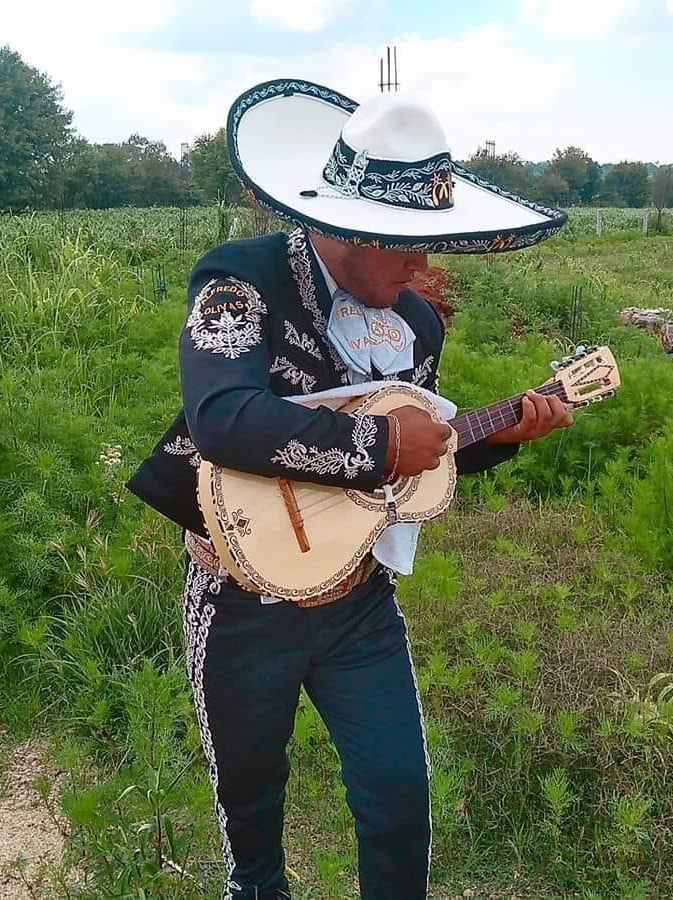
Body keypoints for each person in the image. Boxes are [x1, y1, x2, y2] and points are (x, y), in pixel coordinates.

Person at [127, 78, 572, 900]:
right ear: (344, 224)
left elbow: (403, 471)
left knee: (401, 803)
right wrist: (375, 441)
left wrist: (497, 441)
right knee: (251, 820)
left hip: (360, 598)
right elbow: (223, 418)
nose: (422, 264)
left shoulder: (417, 323)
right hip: (239, 597)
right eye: (403, 241)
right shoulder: (239, 280)